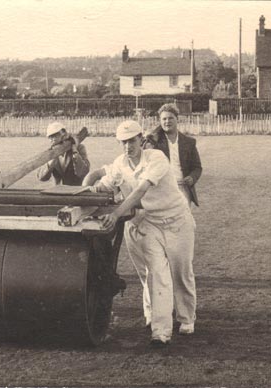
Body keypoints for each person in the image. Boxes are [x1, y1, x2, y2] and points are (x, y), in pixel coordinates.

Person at [91, 120, 196, 346]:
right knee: (157, 273)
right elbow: (105, 184)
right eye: (123, 142)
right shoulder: (120, 163)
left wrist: (117, 213)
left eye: (132, 141)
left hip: (178, 221)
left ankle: (186, 318)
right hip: (151, 223)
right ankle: (161, 332)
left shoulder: (156, 157)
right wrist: (91, 186)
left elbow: (140, 190)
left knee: (181, 272)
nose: (128, 146)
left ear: (141, 140)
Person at [143, 103, 202, 207]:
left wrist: (192, 178)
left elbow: (197, 167)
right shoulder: (153, 141)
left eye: (170, 118)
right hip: (161, 189)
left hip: (182, 188)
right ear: (160, 121)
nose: (167, 121)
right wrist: (150, 138)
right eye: (164, 119)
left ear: (177, 119)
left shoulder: (189, 142)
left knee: (183, 220)